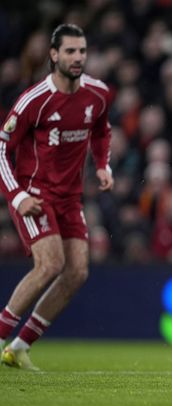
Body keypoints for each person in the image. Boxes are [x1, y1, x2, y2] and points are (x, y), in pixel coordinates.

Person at [0, 24, 113, 370]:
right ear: (54, 55)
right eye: (70, 51)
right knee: (50, 263)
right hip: (34, 193)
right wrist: (17, 197)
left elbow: (101, 131)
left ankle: (19, 347)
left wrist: (103, 166)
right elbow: (2, 149)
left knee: (77, 272)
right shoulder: (35, 100)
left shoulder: (98, 94)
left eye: (81, 51)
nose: (78, 57)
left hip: (69, 197)